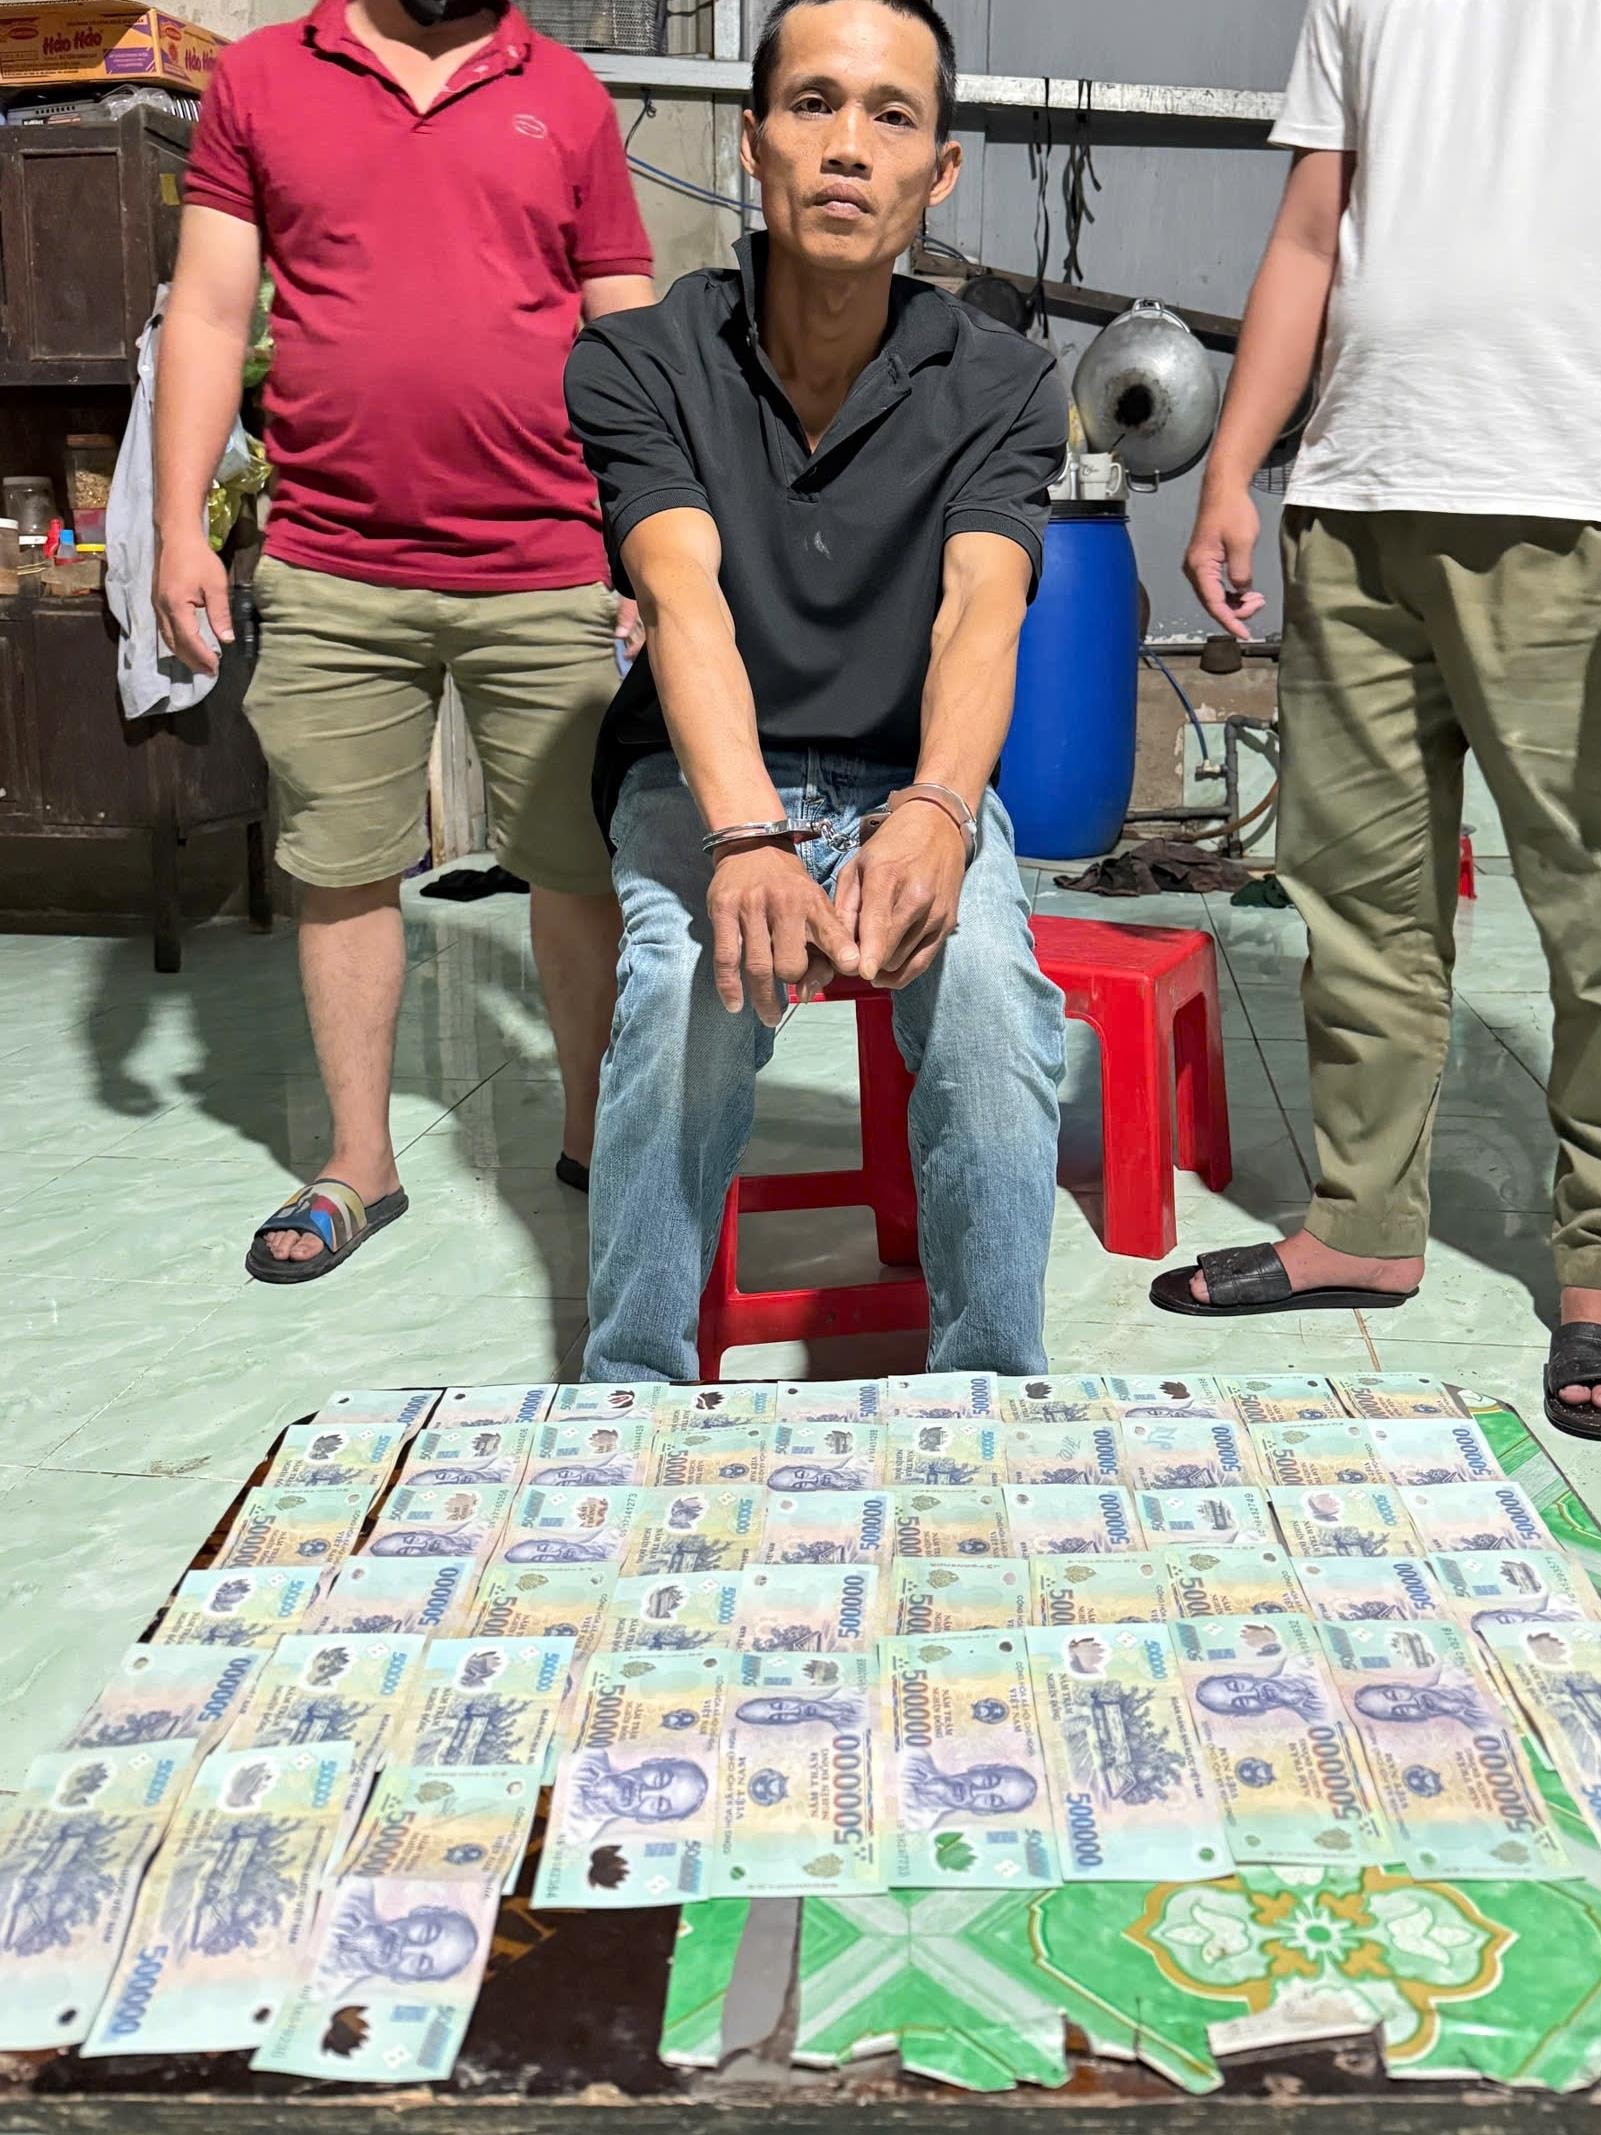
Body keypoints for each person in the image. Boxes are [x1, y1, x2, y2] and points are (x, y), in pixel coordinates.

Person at [564, 0, 1069, 1384]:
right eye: (812, 104)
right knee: (688, 986)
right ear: (751, 142)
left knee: (987, 993)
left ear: (938, 170)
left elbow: (980, 609)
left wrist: (940, 809)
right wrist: (745, 834)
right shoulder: (640, 360)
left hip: (911, 771)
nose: (848, 146)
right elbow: (681, 595)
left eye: (890, 116)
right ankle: (630, 1390)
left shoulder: (1005, 384)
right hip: (704, 772)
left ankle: (988, 1394)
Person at [154, 0, 655, 1282]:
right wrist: (176, 525)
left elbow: (624, 325)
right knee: (342, 864)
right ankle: (358, 1162)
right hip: (332, 561)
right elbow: (207, 310)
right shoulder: (263, 78)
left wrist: (645, 539)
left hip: (546, 558)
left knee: (578, 865)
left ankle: (596, 1136)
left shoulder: (566, 94)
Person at [1155, 0, 1601, 1437]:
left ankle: (1598, 1269)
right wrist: (1234, 464)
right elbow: (1309, 232)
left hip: (1570, 494)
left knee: (1592, 907)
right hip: (1356, 493)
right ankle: (1358, 1221)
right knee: (1355, 894)